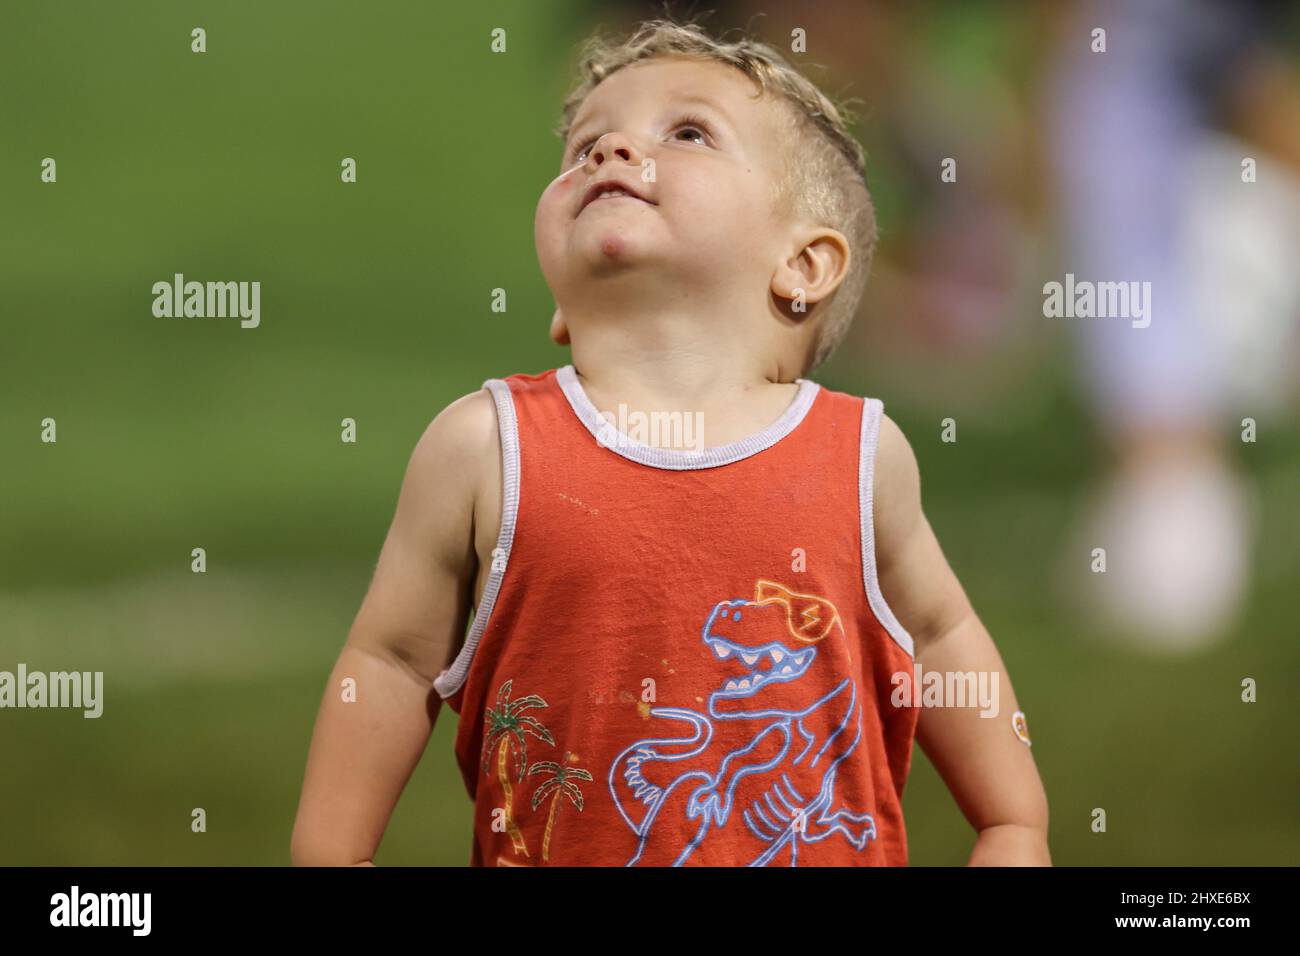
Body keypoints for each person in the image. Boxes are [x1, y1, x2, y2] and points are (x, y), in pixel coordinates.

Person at [291, 18, 1049, 867]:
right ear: (560, 307)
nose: (611, 150)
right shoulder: (484, 450)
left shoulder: (862, 456)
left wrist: (1011, 823)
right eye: (584, 149)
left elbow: (940, 638)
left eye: (687, 133)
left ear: (803, 264)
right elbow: (390, 663)